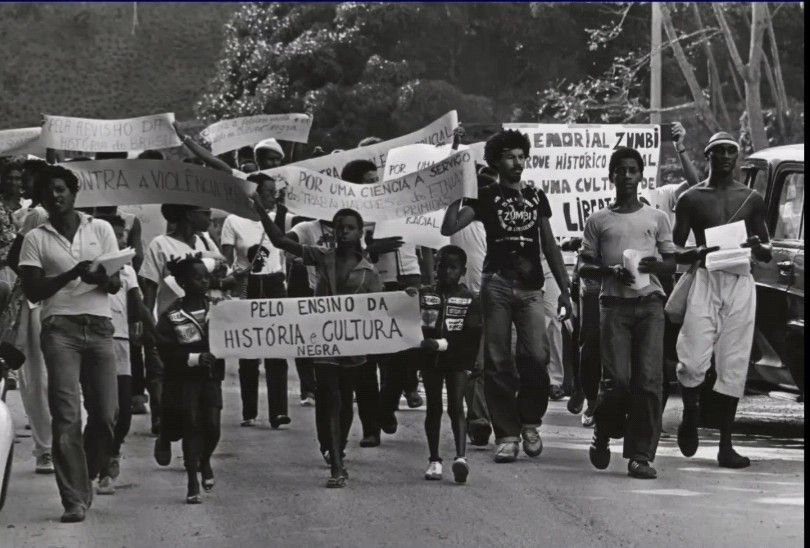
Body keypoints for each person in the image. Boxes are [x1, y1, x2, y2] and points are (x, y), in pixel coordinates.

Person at [442, 129, 572, 463]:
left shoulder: (536, 195)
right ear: (496, 162)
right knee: (498, 360)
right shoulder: (485, 195)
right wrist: (457, 193)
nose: (517, 163)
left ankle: (530, 423)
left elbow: (550, 245)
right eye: (510, 157)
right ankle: (507, 435)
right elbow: (449, 226)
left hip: (531, 287)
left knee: (537, 356)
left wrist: (565, 290)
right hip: (496, 284)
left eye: (521, 156)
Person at [253, 199, 382, 488]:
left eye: (350, 228)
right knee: (330, 396)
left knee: (345, 401)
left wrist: (407, 298)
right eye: (340, 227)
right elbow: (280, 241)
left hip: (353, 344)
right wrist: (260, 209)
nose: (344, 232)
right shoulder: (322, 256)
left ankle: (336, 448)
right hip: (322, 340)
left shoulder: (370, 272)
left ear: (360, 232)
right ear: (333, 231)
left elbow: (381, 309)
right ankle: (336, 463)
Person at [18, 164, 122, 523]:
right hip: (59, 328)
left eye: (61, 189)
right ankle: (74, 499)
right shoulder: (35, 238)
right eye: (48, 192)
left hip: (100, 326)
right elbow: (34, 290)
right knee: (66, 416)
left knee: (106, 415)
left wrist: (99, 277)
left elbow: (115, 283)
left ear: (74, 192)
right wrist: (72, 273)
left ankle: (86, 473)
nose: (55, 196)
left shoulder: (100, 228)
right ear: (41, 199)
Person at [673, 132, 772, 469]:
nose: (726, 156)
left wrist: (758, 247)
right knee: (692, 358)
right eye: (719, 151)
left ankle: (726, 445)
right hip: (705, 279)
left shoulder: (751, 198)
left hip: (740, 282)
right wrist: (696, 252)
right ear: (708, 155)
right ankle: (690, 413)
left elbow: (767, 249)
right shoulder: (691, 199)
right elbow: (673, 248)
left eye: (732, 151)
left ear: (738, 156)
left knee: (733, 362)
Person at [579, 147, 676, 479]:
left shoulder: (657, 218)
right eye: (620, 170)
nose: (627, 176)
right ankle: (603, 430)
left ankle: (640, 456)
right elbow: (584, 267)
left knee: (649, 381)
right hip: (614, 305)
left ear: (640, 175)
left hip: (649, 304)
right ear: (611, 176)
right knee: (617, 380)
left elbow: (671, 262)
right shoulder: (598, 220)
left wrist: (655, 265)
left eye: (633, 170)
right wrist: (610, 271)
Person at [140, 203, 223, 461]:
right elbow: (149, 286)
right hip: (170, 328)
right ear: (189, 215)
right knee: (167, 383)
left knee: (196, 392)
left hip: (201, 331)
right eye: (205, 213)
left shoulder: (207, 243)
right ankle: (164, 430)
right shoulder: (160, 244)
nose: (209, 217)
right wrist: (148, 325)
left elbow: (222, 279)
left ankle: (194, 448)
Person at [220, 173, 290, 428]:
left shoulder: (278, 217)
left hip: (274, 283)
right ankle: (249, 410)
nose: (274, 196)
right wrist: (230, 279)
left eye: (275, 192)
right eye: (269, 192)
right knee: (248, 350)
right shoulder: (233, 221)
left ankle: (278, 411)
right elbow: (226, 260)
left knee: (277, 347)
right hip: (247, 285)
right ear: (254, 194)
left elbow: (284, 249)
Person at [155, 254, 225, 503]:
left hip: (211, 378)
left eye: (206, 277)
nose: (204, 282)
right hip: (184, 380)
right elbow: (165, 350)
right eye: (197, 278)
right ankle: (192, 480)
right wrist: (194, 358)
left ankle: (204, 460)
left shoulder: (219, 308)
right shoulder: (171, 315)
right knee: (192, 425)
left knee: (213, 427)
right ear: (183, 283)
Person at [413, 245, 481, 483]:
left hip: (457, 360)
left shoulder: (470, 299)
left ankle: (461, 457)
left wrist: (442, 344)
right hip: (429, 360)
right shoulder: (423, 295)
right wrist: (408, 298)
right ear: (435, 267)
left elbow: (472, 334)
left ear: (463, 271)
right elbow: (409, 322)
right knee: (433, 407)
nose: (446, 272)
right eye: (442, 266)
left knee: (456, 406)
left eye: (453, 267)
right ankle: (434, 460)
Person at [94, 215, 151, 494]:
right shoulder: (90, 267)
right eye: (114, 235)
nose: (119, 240)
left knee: (124, 413)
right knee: (103, 411)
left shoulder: (127, 271)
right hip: (96, 340)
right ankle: (101, 466)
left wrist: (155, 331)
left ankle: (113, 451)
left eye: (121, 235)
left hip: (121, 342)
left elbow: (137, 304)